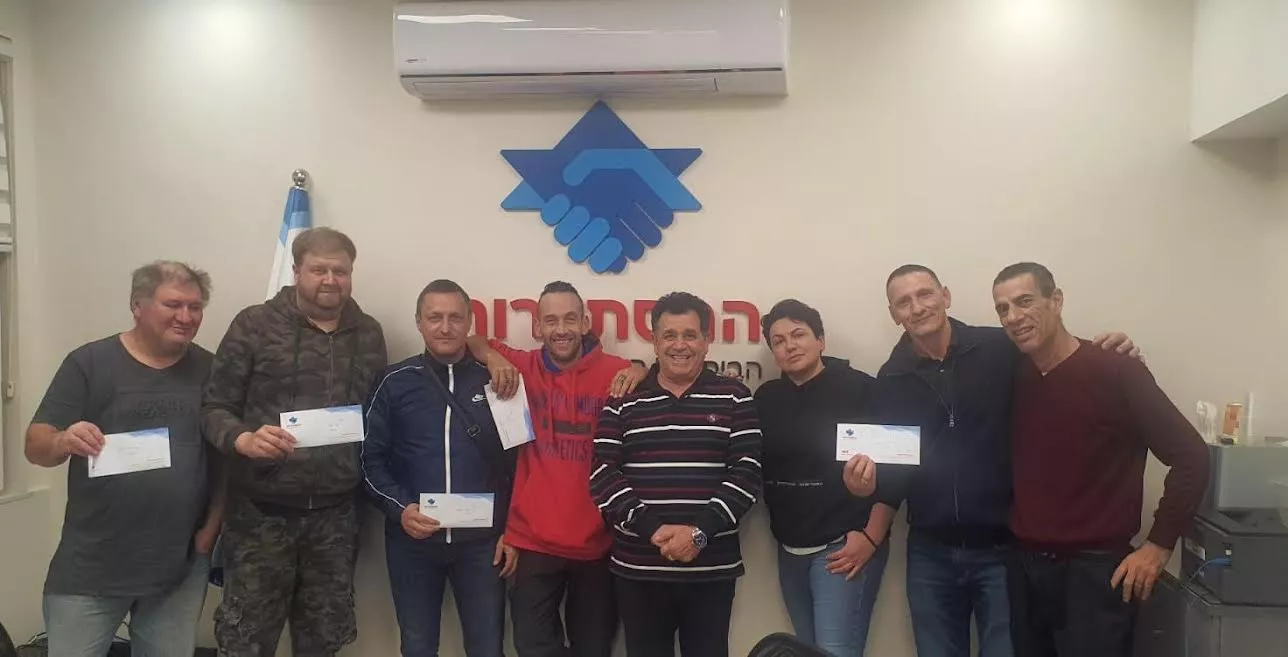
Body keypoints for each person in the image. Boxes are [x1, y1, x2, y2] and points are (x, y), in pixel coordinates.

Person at [846, 264, 1137, 657]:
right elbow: (894, 470)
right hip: (930, 553)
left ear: (945, 296)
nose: (916, 307)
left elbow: (1056, 359)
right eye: (903, 302)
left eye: (924, 294)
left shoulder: (1000, 349)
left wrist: (1109, 354)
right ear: (893, 314)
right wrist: (865, 490)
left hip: (1003, 550)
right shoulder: (891, 378)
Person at [991, 262, 1209, 657]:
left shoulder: (1116, 370)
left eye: (1024, 302)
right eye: (1003, 309)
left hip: (1095, 576)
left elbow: (1192, 457)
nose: (1013, 317)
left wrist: (1158, 546)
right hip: (1027, 571)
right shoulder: (1015, 375)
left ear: (1056, 301)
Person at [201, 227, 387, 657]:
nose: (330, 280)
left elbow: (379, 413)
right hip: (260, 517)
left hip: (336, 519)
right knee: (246, 642)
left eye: (340, 271)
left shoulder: (368, 333)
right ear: (297, 270)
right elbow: (213, 406)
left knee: (323, 642)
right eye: (319, 269)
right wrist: (242, 439)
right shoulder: (254, 325)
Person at [26, 261, 221, 657]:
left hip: (178, 566)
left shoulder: (210, 369)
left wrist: (210, 531)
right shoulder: (89, 363)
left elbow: (223, 461)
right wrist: (63, 439)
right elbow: (36, 445)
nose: (186, 317)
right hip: (93, 564)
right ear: (137, 305)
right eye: (173, 305)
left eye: (195, 307)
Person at [465, 281, 645, 657]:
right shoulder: (524, 366)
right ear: (537, 327)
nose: (560, 329)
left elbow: (657, 378)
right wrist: (493, 358)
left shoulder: (617, 372)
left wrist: (640, 369)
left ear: (585, 323)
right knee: (533, 647)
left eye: (569, 319)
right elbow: (472, 341)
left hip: (598, 543)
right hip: (534, 542)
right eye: (550, 321)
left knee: (594, 649)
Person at [590, 291, 763, 657]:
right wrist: (652, 529)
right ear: (654, 341)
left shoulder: (735, 396)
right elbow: (603, 473)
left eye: (690, 335)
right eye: (669, 335)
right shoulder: (623, 399)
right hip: (638, 569)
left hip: (710, 569)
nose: (680, 345)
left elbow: (746, 474)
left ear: (706, 340)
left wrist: (698, 534)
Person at [362, 279, 517, 657]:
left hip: (483, 546)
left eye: (455, 318)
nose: (445, 327)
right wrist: (400, 509)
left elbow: (521, 464)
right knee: (417, 647)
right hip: (413, 542)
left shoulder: (498, 380)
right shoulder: (393, 381)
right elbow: (369, 460)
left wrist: (515, 530)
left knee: (487, 648)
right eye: (434, 318)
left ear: (469, 322)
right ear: (418, 321)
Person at [754, 299, 893, 657]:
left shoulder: (862, 389)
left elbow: (897, 471)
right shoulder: (766, 398)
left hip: (844, 547)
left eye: (798, 334)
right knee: (807, 651)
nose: (789, 345)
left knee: (835, 652)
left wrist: (871, 537)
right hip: (790, 550)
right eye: (779, 341)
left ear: (821, 341)